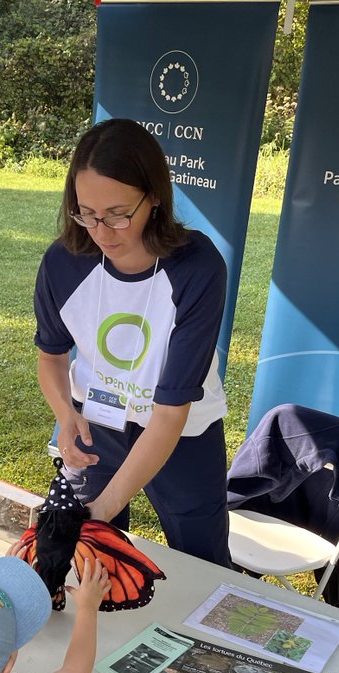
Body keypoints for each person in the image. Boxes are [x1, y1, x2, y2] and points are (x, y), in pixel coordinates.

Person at [33, 117, 231, 566]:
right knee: (88, 561)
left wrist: (100, 511)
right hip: (97, 422)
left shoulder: (197, 269)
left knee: (201, 563)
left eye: (119, 214)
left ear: (155, 197)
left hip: (183, 433)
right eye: (86, 214)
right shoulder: (64, 263)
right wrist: (65, 415)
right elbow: (52, 356)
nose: (101, 232)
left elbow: (169, 414)